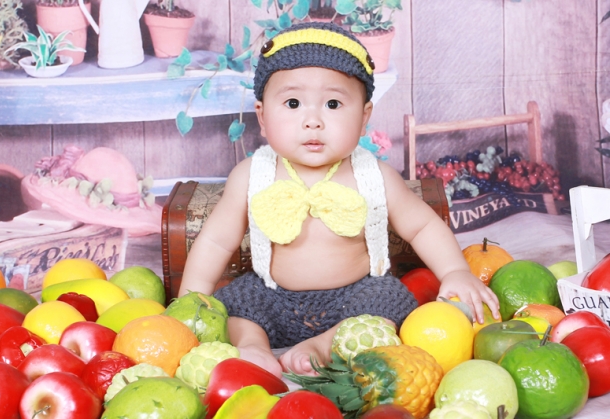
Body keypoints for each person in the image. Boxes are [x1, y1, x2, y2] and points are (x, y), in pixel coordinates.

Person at [178, 22, 500, 377]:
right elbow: (216, 240)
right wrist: (190, 301)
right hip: (272, 293)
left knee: (387, 307)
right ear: (263, 117)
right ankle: (253, 346)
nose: (312, 121)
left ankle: (325, 344)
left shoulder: (374, 176)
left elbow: (423, 226)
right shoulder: (251, 175)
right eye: (293, 103)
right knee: (237, 306)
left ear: (363, 117)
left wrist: (455, 272)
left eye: (333, 104)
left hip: (355, 295)